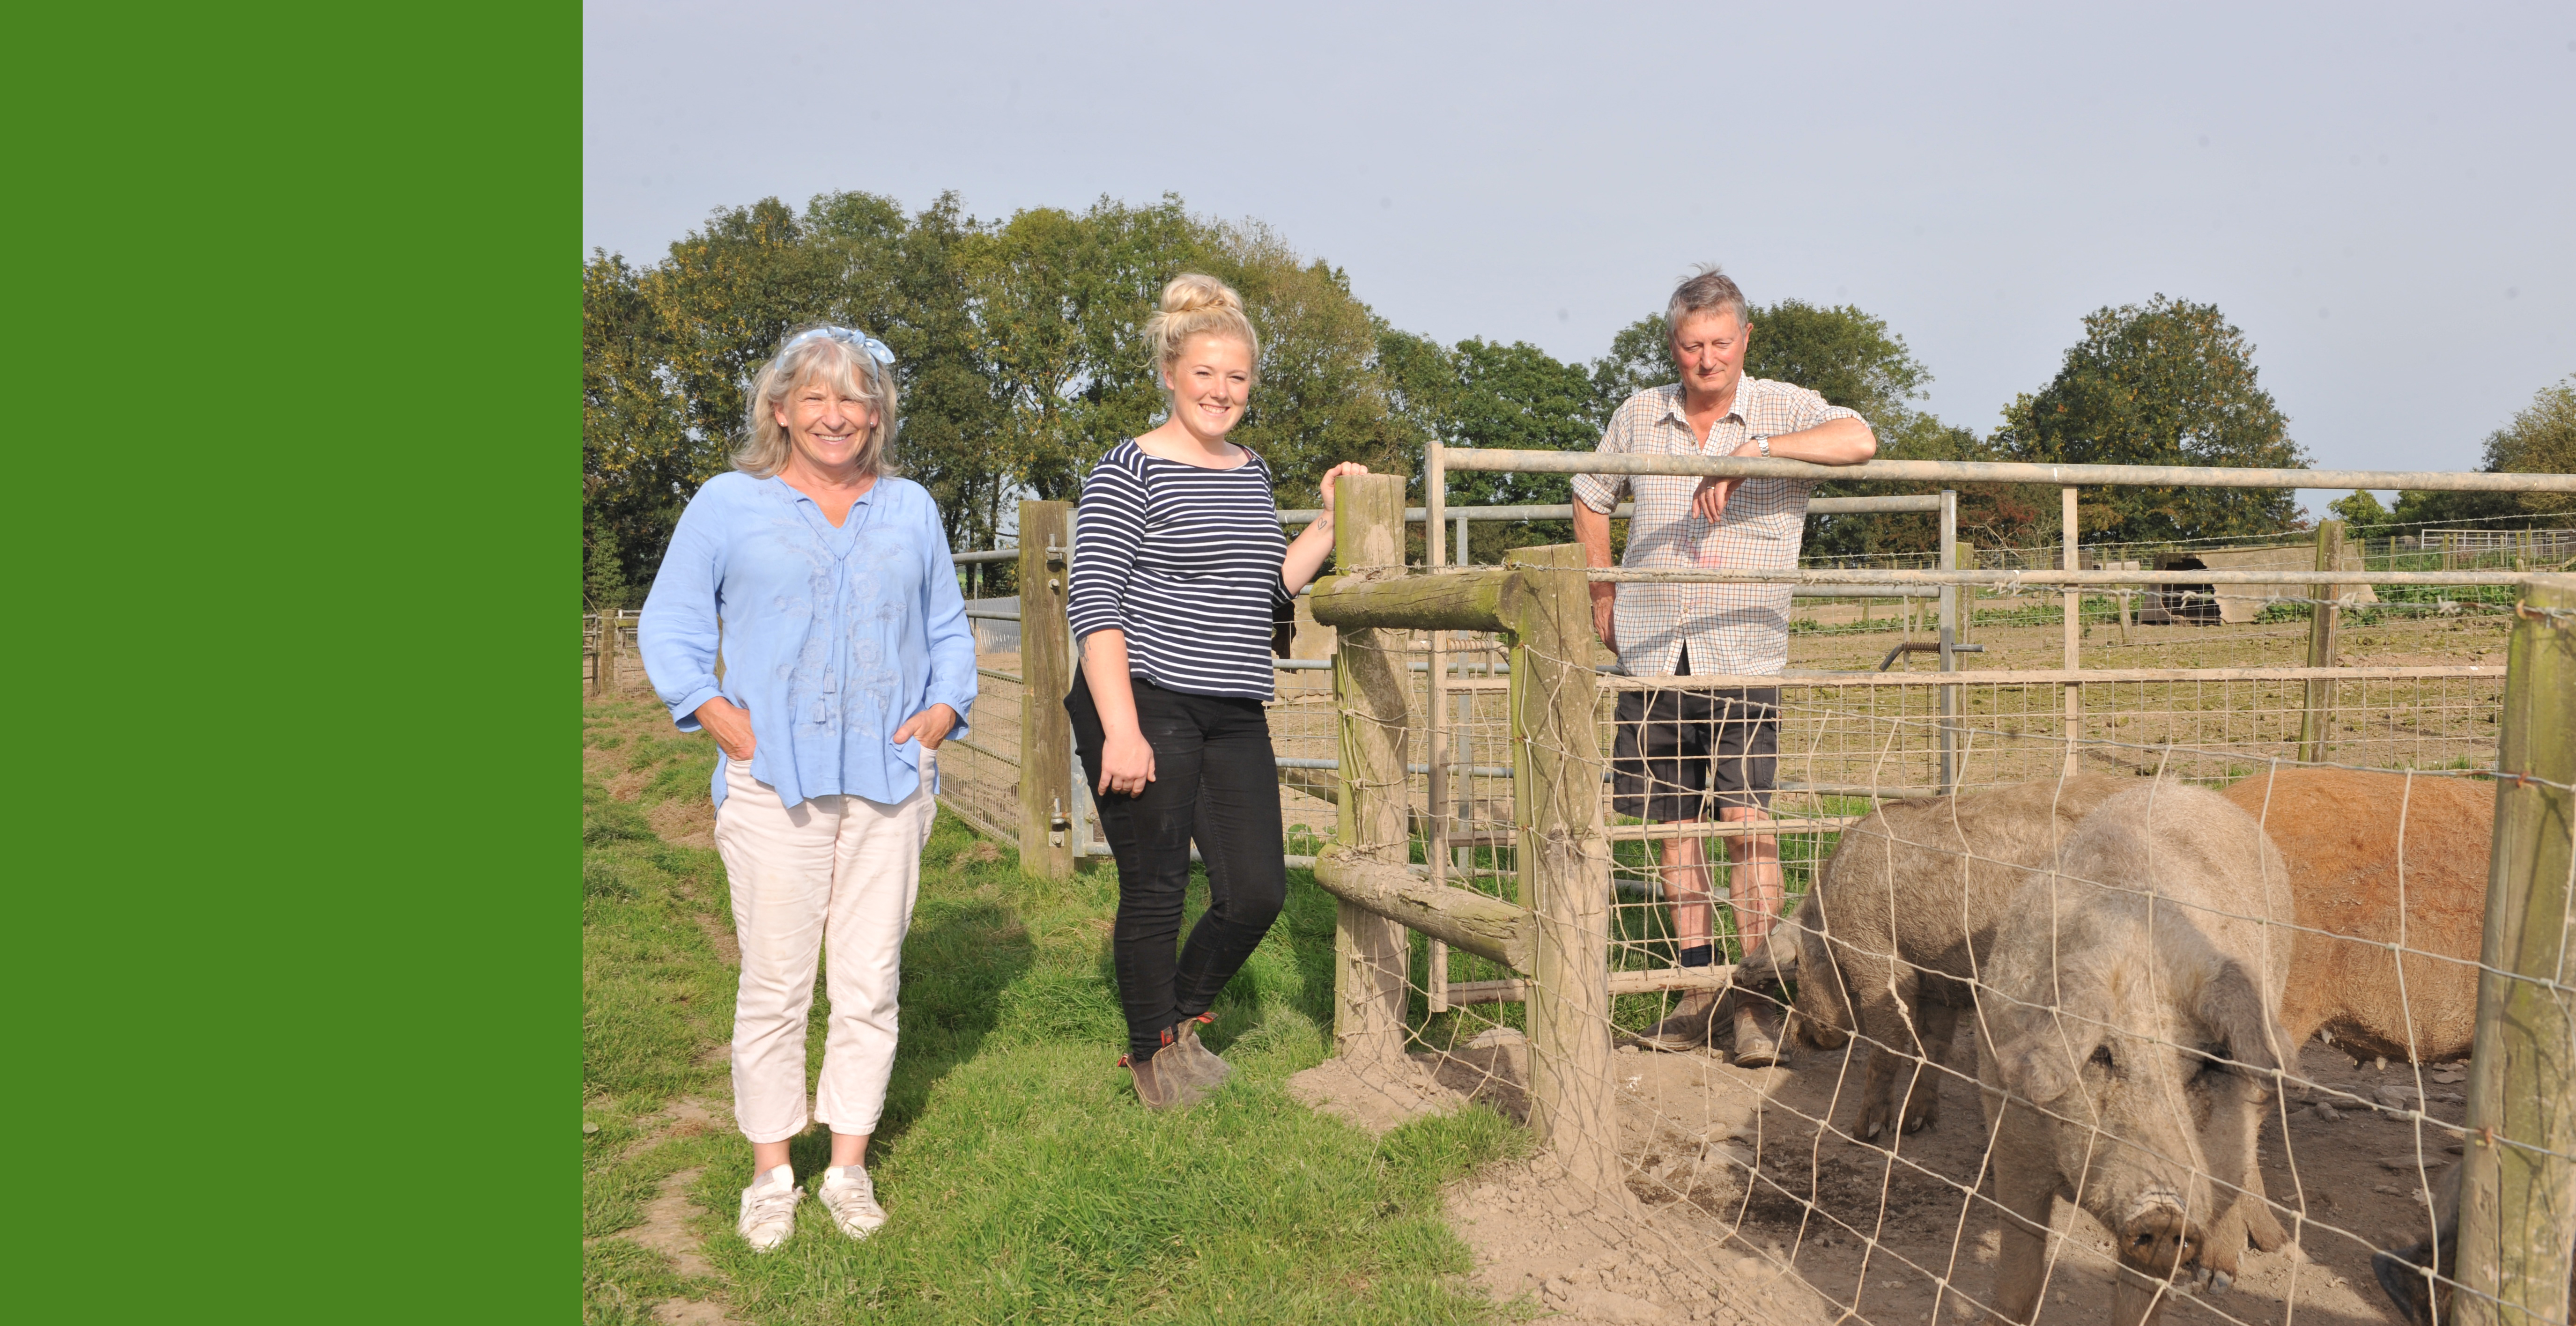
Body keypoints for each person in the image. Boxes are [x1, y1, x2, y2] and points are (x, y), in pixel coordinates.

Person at [638, 324, 975, 1251]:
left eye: (854, 399)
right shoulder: (725, 502)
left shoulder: (909, 507)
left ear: (878, 414)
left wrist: (946, 707)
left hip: (890, 781)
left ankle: (849, 1165)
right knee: (776, 982)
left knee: (868, 981)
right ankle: (770, 1172)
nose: (836, 416)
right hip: (769, 783)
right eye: (815, 398)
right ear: (779, 409)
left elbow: (947, 628)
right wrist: (715, 713)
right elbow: (669, 625)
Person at [1066, 273, 1367, 1109]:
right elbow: (1094, 599)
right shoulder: (1128, 469)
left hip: (1233, 706)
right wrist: (1120, 730)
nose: (1221, 391)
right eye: (1205, 374)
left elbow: (1263, 590)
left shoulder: (1249, 469)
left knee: (1257, 890)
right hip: (1145, 698)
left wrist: (1330, 525)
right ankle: (1151, 1055)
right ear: (1170, 372)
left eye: (1236, 378)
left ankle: (1181, 1021)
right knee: (1157, 885)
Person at [1571, 267, 1876, 1063]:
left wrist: (1759, 451)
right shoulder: (1641, 412)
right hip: (1652, 649)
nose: (1706, 359)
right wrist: (1603, 590)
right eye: (1690, 345)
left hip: (1740, 647)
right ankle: (1696, 990)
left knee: (1746, 823)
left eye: (1719, 342)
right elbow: (1590, 491)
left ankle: (1754, 999)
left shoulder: (1786, 407)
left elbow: (1862, 440)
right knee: (1675, 827)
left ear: (1745, 340)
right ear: (1672, 347)